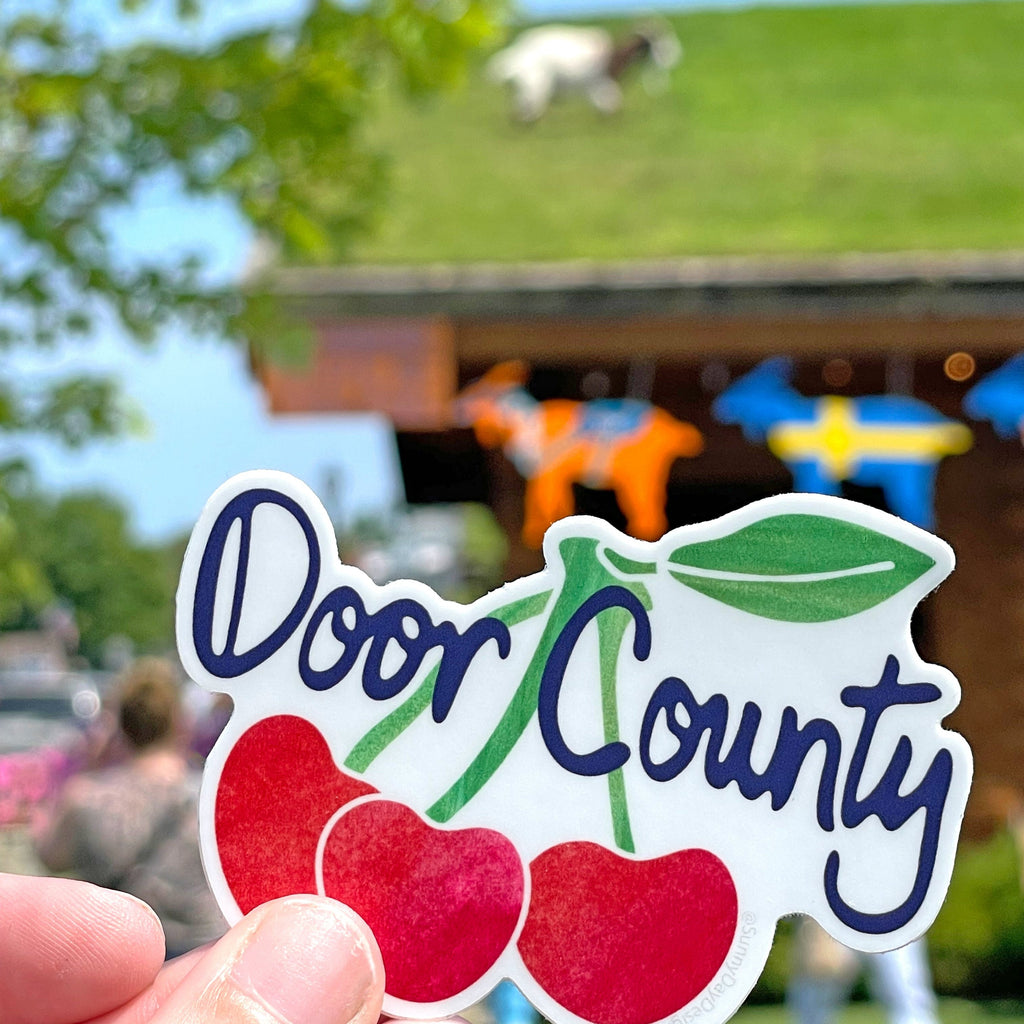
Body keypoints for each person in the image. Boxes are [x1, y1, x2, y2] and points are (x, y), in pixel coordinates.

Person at [0, 872, 387, 1024]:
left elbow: (59, 855)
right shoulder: (190, 788)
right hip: (213, 950)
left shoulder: (92, 798)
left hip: (127, 969)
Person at [32, 657, 225, 957]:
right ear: (179, 723)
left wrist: (89, 765)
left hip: (122, 961)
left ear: (122, 726)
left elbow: (49, 856)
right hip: (201, 957)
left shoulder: (85, 798)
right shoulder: (211, 795)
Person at [787, 917, 939, 1024]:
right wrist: (814, 925)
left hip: (891, 911)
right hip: (832, 918)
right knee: (814, 1007)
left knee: (909, 1001)